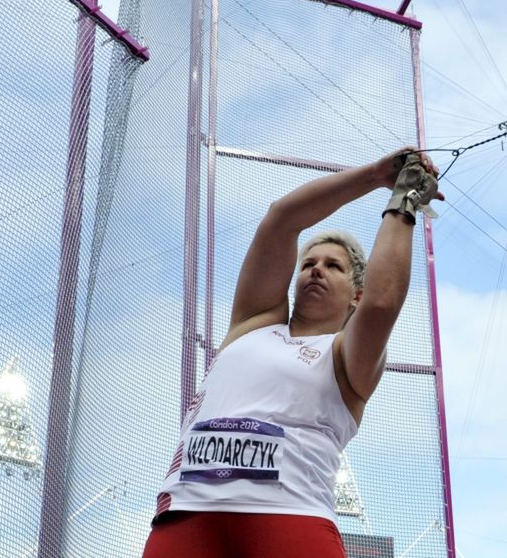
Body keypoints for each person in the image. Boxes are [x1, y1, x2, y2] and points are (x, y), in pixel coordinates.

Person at [142, 147, 442, 558]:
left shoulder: (345, 354)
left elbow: (382, 304)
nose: (316, 268)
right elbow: (281, 219)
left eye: (333, 266)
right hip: (187, 517)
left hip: (288, 519)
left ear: (356, 293)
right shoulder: (254, 322)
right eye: (308, 264)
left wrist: (404, 200)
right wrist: (374, 175)